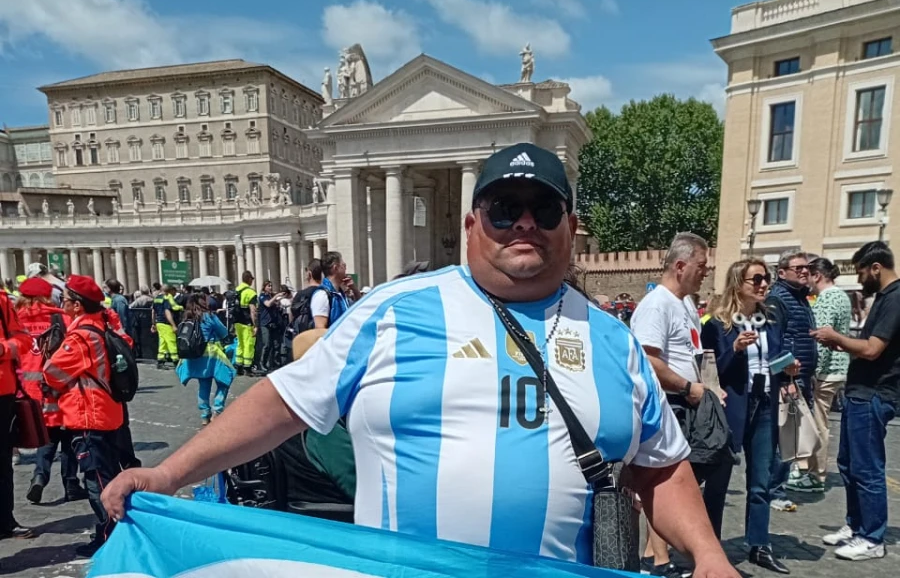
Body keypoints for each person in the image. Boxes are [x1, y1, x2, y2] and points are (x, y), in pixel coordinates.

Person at [102, 143, 737, 577]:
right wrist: (168, 475)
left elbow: (661, 466)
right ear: (470, 222)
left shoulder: (613, 339)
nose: (524, 223)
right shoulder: (392, 311)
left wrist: (708, 552)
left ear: (571, 225)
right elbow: (283, 404)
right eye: (502, 209)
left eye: (543, 209)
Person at [631, 232, 728, 578]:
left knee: (683, 478)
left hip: (687, 401)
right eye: (702, 266)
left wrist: (707, 387)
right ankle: (657, 562)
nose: (706, 272)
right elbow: (646, 359)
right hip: (669, 403)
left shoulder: (684, 304)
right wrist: (690, 388)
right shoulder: (656, 304)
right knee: (664, 480)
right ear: (681, 265)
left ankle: (652, 557)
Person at [701, 259, 801, 575]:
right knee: (718, 483)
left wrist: (787, 372)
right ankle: (709, 545)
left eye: (766, 278)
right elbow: (712, 372)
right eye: (755, 279)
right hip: (732, 408)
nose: (763, 284)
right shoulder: (717, 325)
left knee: (761, 482)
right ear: (737, 282)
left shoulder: (769, 320)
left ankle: (759, 545)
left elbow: (772, 363)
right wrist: (736, 348)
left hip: (765, 404)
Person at [812, 241, 900, 561]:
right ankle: (856, 526)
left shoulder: (895, 298)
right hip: (859, 391)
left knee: (867, 469)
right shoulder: (883, 298)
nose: (860, 279)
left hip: (874, 393)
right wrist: (845, 345)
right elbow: (865, 345)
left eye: (862, 272)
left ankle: (873, 537)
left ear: (876, 268)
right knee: (849, 465)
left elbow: (874, 349)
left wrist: (836, 338)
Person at [44, 275, 124, 557]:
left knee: (98, 481)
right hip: (107, 412)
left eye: (65, 299)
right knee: (111, 476)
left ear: (77, 306)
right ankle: (115, 532)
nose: (62, 303)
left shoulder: (80, 336)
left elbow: (53, 373)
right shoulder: (103, 325)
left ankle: (109, 536)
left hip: (89, 415)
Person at [17, 277, 88, 505]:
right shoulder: (62, 317)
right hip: (59, 385)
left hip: (27, 389)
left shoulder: (14, 320)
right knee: (67, 435)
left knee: (44, 437)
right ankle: (70, 483)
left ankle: (40, 475)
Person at [766, 250, 817, 511]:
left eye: (807, 268)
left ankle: (777, 487)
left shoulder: (800, 298)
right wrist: (785, 373)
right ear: (782, 272)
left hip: (801, 377)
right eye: (798, 268)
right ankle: (774, 490)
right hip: (787, 379)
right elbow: (777, 340)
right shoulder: (778, 298)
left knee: (791, 434)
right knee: (784, 434)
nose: (805, 271)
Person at [803, 257, 851, 493]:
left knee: (819, 423)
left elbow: (822, 337)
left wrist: (813, 370)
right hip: (839, 368)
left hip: (826, 371)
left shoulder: (827, 297)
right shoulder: (842, 295)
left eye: (809, 276)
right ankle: (812, 469)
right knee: (822, 422)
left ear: (817, 276)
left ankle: (816, 474)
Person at [0, 284, 33, 539]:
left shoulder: (2, 302)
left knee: (2, 461)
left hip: (2, 392)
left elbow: (22, 339)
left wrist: (3, 349)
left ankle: (4, 520)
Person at [176, 294, 235, 426]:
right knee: (226, 378)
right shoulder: (209, 316)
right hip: (210, 353)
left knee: (204, 383)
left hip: (194, 355)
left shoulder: (187, 316)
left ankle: (204, 414)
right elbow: (223, 332)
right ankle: (217, 410)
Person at [312, 251, 355, 329]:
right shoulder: (322, 295)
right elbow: (320, 329)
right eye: (344, 265)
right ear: (336, 268)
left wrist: (354, 289)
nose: (346, 268)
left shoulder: (339, 293)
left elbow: (360, 308)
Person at [233, 271, 258, 375]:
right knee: (249, 344)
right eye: (252, 279)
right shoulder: (251, 292)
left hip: (237, 322)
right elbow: (253, 311)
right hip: (247, 322)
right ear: (249, 279)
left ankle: (238, 366)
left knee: (240, 344)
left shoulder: (236, 290)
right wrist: (255, 325)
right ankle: (247, 367)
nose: (252, 281)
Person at [151, 285, 179, 369]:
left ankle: (160, 361)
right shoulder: (166, 298)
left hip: (159, 323)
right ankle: (176, 361)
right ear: (169, 291)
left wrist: (153, 324)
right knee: (171, 342)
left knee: (162, 342)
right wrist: (173, 325)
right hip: (166, 323)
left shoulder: (156, 299)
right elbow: (167, 312)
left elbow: (153, 312)